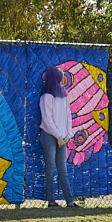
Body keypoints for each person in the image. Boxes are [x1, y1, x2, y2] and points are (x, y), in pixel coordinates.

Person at [38, 66, 77, 209]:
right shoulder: (46, 96)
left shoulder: (64, 97)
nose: (63, 80)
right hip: (49, 135)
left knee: (63, 169)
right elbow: (47, 119)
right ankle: (51, 201)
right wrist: (58, 136)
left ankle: (70, 201)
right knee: (51, 167)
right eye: (61, 77)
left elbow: (68, 117)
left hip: (62, 137)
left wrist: (68, 135)